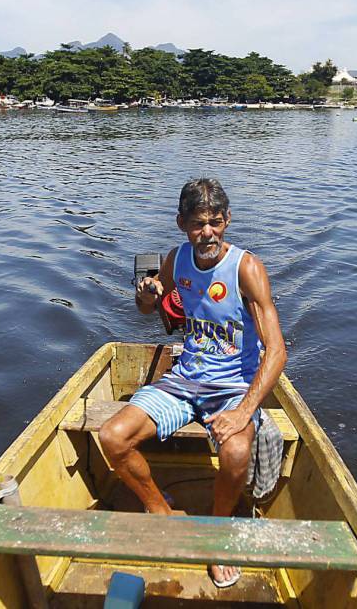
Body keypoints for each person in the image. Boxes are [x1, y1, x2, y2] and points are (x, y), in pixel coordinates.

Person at [98, 178, 287, 588]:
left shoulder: (246, 269)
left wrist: (243, 412)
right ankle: (161, 513)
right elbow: (149, 309)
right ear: (182, 222)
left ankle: (217, 538)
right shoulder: (177, 258)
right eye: (198, 223)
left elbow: (277, 352)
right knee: (112, 437)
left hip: (233, 388)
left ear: (228, 220)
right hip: (185, 379)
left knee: (236, 454)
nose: (208, 233)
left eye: (216, 222)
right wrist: (147, 294)